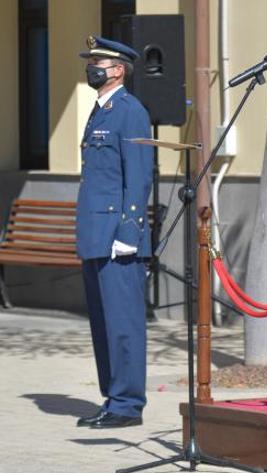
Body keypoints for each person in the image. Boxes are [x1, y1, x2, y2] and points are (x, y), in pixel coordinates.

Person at [75, 36, 153, 429]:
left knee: (123, 324)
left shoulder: (129, 111)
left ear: (119, 69)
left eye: (99, 62)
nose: (92, 67)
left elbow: (138, 176)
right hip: (95, 232)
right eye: (92, 61)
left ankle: (127, 404)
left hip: (118, 236)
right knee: (103, 324)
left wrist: (130, 230)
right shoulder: (100, 111)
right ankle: (113, 398)